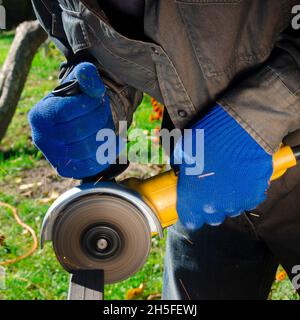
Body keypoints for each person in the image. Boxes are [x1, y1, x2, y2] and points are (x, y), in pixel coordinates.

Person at [29, 0, 300, 299]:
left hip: (289, 157)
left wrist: (263, 113)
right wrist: (93, 103)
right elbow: (97, 49)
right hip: (197, 183)